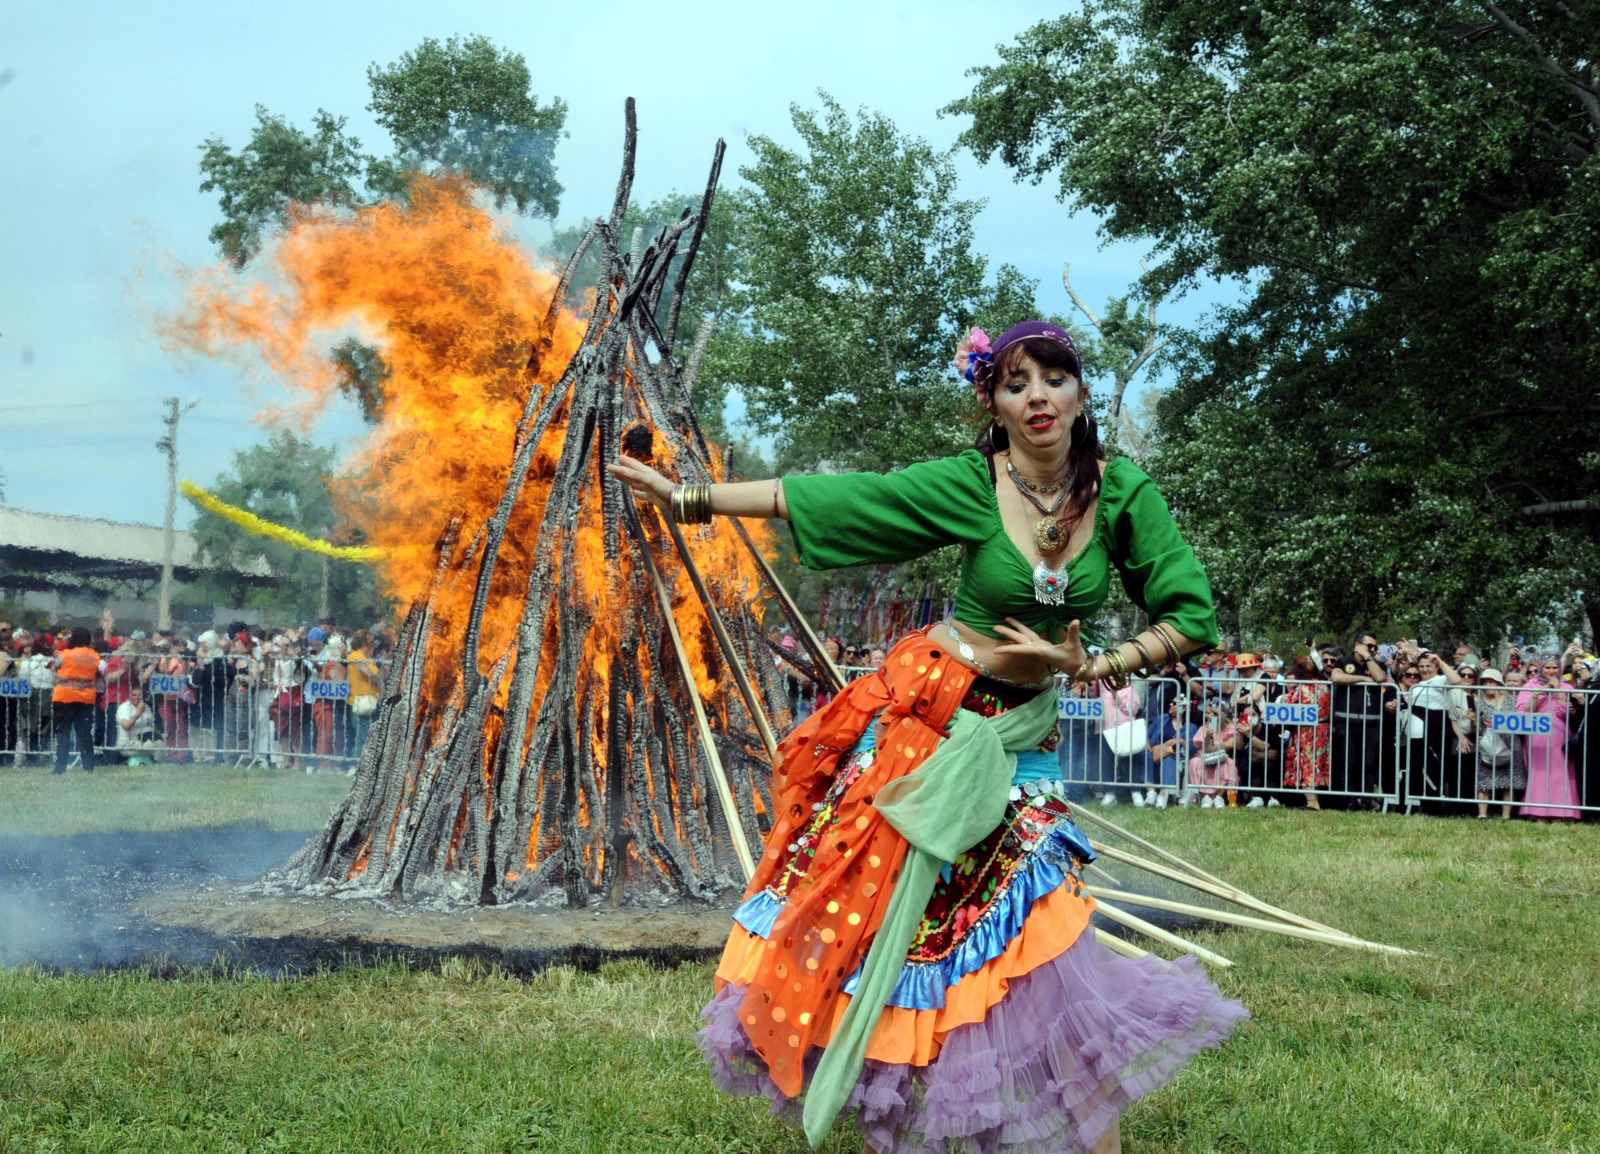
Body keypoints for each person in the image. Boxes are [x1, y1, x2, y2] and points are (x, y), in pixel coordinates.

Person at [609, 318, 1245, 1154]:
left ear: (1080, 392)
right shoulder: (973, 483)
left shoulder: (1122, 492)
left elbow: (1190, 612)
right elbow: (836, 497)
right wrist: (687, 498)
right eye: (1015, 384)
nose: (1037, 397)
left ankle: (1092, 1137)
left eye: (1053, 378)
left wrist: (1094, 664)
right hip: (930, 723)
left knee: (1048, 925)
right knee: (891, 922)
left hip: (1021, 740)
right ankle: (900, 1086)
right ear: (996, 405)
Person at [1517, 655, 1578, 821]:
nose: (1551, 671)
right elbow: (1522, 711)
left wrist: (1558, 691)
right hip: (1537, 736)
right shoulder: (1530, 685)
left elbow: (1568, 713)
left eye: (1555, 668)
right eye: (1547, 667)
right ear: (1541, 669)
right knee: (1539, 772)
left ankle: (1561, 813)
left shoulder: (1567, 687)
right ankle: (1537, 812)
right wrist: (1538, 694)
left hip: (1560, 735)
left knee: (1559, 772)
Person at [1472, 668, 1525, 819]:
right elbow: (1475, 727)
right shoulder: (1479, 703)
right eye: (1485, 682)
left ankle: (1505, 816)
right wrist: (1479, 722)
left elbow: (1522, 721)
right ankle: (1482, 814)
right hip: (1489, 746)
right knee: (1485, 781)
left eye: (1492, 682)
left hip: (1511, 745)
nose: (1488, 685)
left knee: (1510, 783)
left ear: (1499, 684)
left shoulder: (1512, 700)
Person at [1280, 655, 1331, 809]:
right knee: (1317, 765)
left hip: (1305, 732)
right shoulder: (1324, 685)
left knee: (1305, 766)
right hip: (1322, 730)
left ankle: (1311, 802)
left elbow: (1288, 707)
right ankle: (1315, 801)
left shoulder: (1300, 688)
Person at [51, 627, 102, 773]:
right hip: (85, 699)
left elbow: (54, 667)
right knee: (84, 734)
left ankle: (60, 768)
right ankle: (88, 767)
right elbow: (98, 672)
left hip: (64, 698)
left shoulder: (65, 654)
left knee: (63, 734)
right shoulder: (94, 656)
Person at [115, 686, 158, 764]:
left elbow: (152, 724)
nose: (137, 697)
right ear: (129, 696)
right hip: (128, 743)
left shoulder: (146, 706)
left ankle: (157, 763)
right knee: (156, 745)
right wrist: (138, 713)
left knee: (160, 742)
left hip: (143, 740)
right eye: (134, 695)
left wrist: (159, 735)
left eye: (139, 695)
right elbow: (126, 726)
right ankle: (157, 763)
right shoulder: (124, 707)